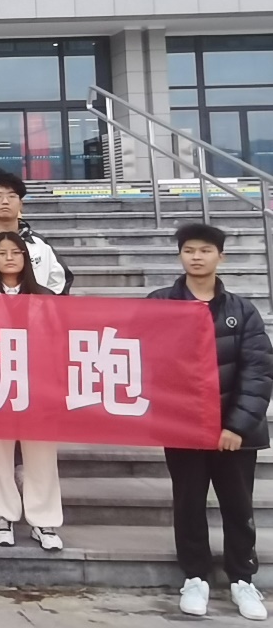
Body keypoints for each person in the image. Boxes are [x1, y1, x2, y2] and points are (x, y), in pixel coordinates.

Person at [148, 223, 273, 621]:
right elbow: (145, 360)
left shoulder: (242, 311)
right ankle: (195, 577)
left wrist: (236, 426)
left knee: (238, 506)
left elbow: (258, 372)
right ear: (180, 255)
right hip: (183, 429)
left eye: (205, 250)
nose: (196, 257)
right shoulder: (160, 304)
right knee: (188, 504)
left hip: (235, 434)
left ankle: (242, 580)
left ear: (221, 256)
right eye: (189, 250)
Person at [0, 231, 66, 554]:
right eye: (2, 253)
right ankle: (2, 516)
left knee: (42, 456)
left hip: (38, 388)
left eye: (15, 252)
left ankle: (44, 519)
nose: (9, 258)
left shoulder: (45, 297)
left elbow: (58, 343)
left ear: (26, 257)